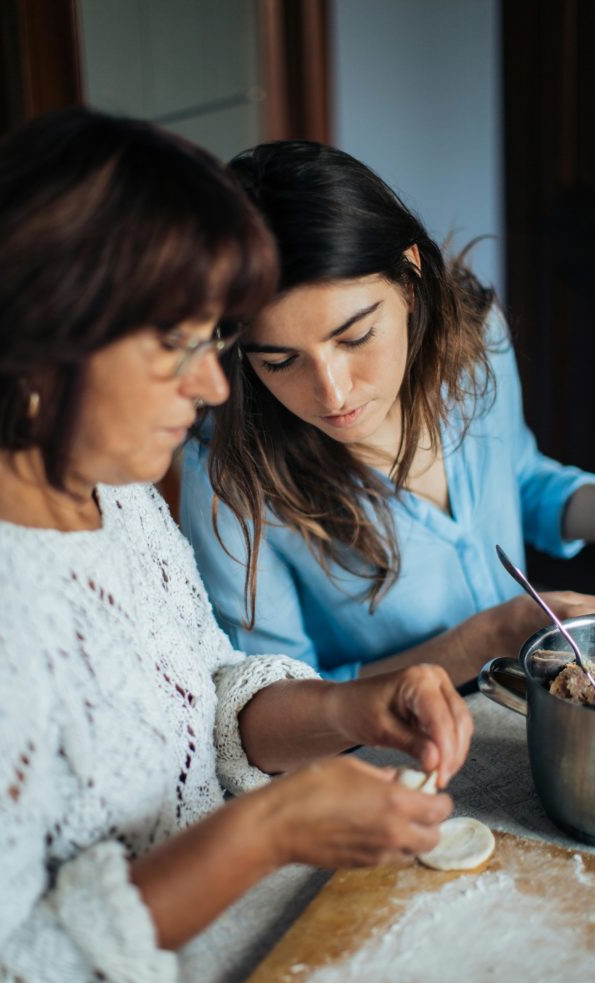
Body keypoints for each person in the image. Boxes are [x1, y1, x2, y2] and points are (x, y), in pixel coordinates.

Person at [0, 111, 472, 983]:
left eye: (214, 341)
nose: (216, 386)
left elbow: (202, 705)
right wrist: (265, 832)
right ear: (40, 334)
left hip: (263, 958)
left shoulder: (109, 490)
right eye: (177, 343)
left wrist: (348, 710)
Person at [180, 140, 595, 687]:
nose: (333, 394)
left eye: (356, 337)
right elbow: (280, 701)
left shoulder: (476, 340)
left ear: (408, 274)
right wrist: (480, 642)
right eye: (280, 362)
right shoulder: (226, 479)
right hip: (385, 761)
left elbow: (521, 479)